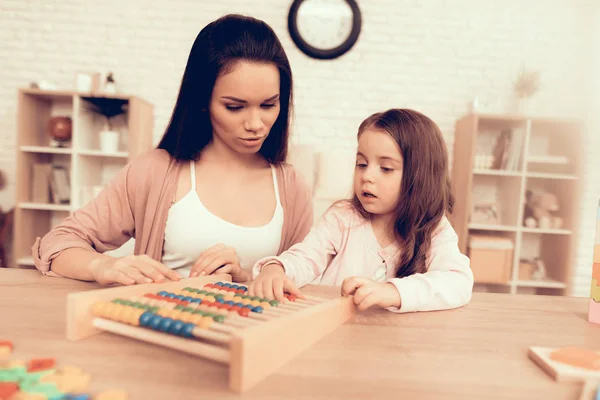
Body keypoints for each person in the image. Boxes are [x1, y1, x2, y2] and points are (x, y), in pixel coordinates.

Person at [32, 14, 313, 286]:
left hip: (254, 333)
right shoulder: (155, 172)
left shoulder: (291, 187)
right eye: (234, 107)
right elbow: (58, 243)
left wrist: (245, 279)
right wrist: (105, 266)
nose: (256, 124)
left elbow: (302, 281)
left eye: (268, 105)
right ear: (203, 101)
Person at [249, 108, 473, 313]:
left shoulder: (435, 229)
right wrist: (276, 268)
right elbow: (305, 257)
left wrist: (394, 292)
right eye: (362, 164)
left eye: (385, 168)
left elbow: (458, 282)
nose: (367, 176)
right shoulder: (342, 218)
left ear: (420, 177)